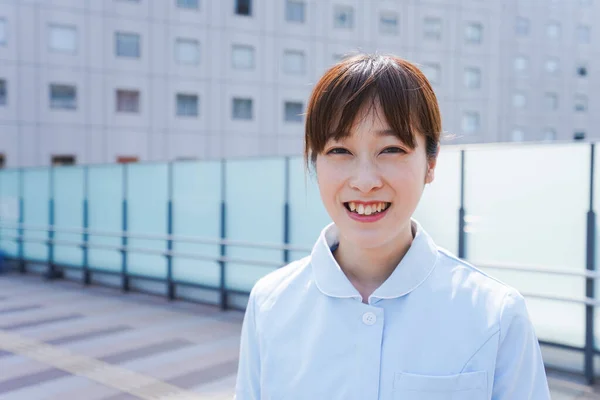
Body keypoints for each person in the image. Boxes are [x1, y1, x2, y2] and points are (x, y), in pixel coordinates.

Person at [234, 54, 551, 399]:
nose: (365, 181)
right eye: (340, 150)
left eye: (391, 149)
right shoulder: (270, 303)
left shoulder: (496, 313)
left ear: (431, 162)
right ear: (315, 162)